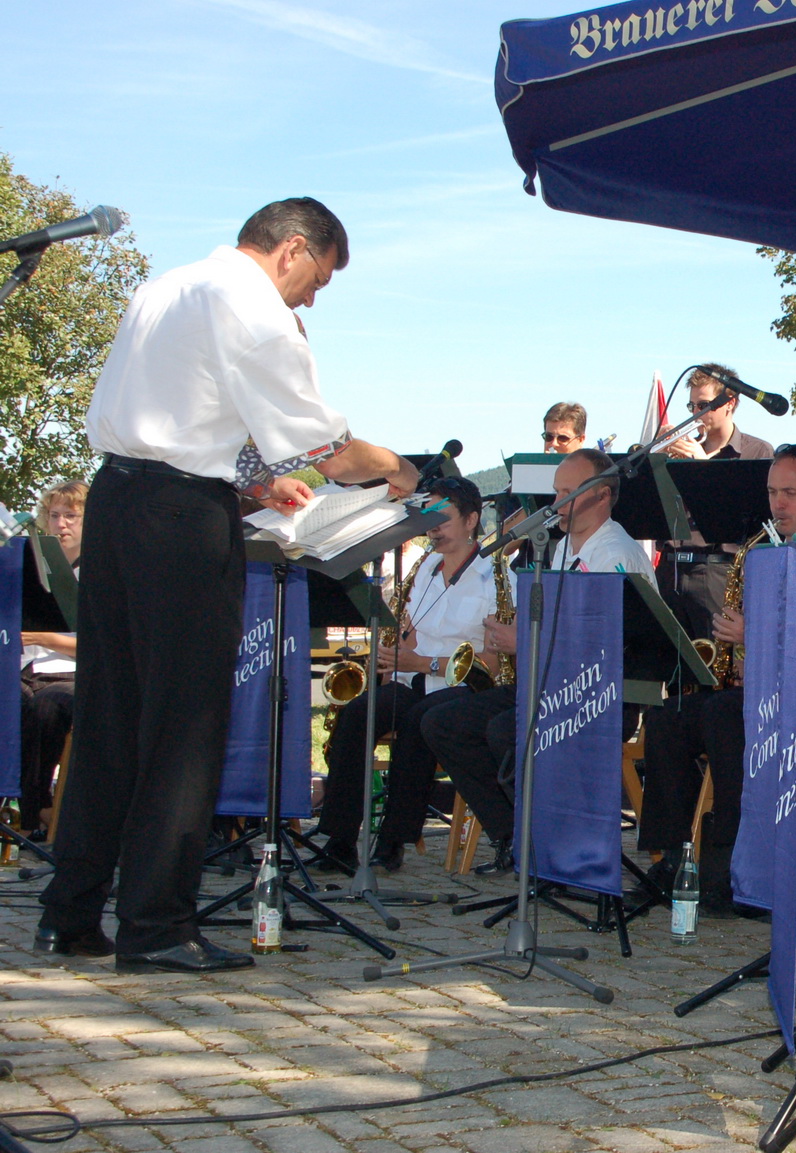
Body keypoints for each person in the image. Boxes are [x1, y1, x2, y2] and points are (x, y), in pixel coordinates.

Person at [37, 197, 422, 972]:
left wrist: (250, 485)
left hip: (117, 500)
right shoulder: (255, 309)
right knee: (184, 728)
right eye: (317, 278)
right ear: (292, 249)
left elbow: (186, 416)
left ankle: (70, 914)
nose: (311, 297)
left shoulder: (167, 285)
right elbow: (331, 449)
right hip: (181, 521)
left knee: (111, 715)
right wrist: (399, 470)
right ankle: (157, 926)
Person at [635, 443, 796, 911]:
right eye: (772, 492)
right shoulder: (767, 553)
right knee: (670, 716)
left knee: (724, 716)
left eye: (791, 493)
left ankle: (731, 868)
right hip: (766, 692)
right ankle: (676, 856)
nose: (779, 504)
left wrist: (756, 637)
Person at [421, 449, 653, 873]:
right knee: (444, 723)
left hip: (597, 696)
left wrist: (525, 640)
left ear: (602, 495)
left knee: (502, 730)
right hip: (546, 683)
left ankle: (551, 844)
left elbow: (609, 643)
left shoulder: (618, 553)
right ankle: (514, 837)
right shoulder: (558, 547)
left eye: (568, 492)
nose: (557, 502)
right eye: (556, 491)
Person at [317, 477, 500, 873]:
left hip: (460, 688)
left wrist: (425, 662)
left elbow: (494, 663)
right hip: (411, 680)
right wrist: (392, 657)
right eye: (426, 518)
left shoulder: (497, 578)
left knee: (420, 721)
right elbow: (405, 628)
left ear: (471, 520)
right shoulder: (424, 567)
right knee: (359, 713)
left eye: (441, 518)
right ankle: (340, 838)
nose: (431, 527)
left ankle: (393, 839)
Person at [655, 364, 775, 637]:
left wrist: (702, 468)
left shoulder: (757, 451)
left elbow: (749, 524)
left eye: (704, 405)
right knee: (674, 672)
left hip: (719, 570)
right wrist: (657, 463)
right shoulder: (680, 452)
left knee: (716, 669)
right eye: (692, 406)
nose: (697, 413)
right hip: (671, 568)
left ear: (730, 403)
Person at [17, 481, 86, 837]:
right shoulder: (29, 566)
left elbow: (101, 644)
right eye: (55, 515)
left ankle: (36, 811)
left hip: (72, 676)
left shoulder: (100, 572)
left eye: (71, 516)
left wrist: (44, 638)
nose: (61, 524)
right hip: (25, 670)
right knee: (14, 700)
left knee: (45, 708)